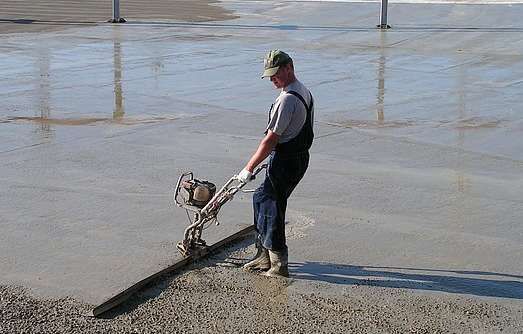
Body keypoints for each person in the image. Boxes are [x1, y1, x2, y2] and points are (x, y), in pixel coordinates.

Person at [236, 50, 314, 278]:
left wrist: (248, 169)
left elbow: (270, 140)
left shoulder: (287, 99)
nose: (272, 79)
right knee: (261, 198)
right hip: (298, 158)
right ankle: (264, 254)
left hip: (286, 160)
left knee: (271, 205)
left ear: (289, 67)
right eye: (269, 75)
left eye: (276, 74)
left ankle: (278, 263)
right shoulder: (303, 90)